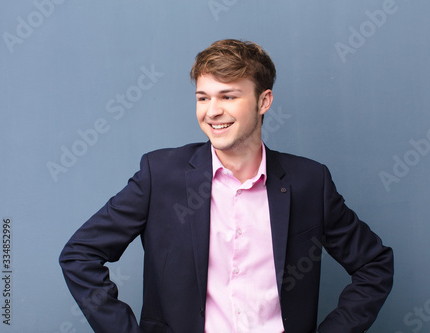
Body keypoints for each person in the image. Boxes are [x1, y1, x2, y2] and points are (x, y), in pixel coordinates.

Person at [59, 39, 393, 333]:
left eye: (228, 96)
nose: (212, 111)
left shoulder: (309, 181)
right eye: (203, 98)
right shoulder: (160, 175)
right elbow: (80, 255)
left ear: (264, 102)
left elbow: (373, 266)